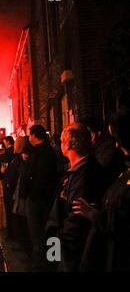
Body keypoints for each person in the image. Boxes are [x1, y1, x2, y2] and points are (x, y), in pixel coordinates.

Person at [73, 111, 130, 271]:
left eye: (118, 138)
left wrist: (96, 215)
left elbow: (123, 220)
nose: (117, 145)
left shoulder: (102, 159)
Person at [46, 123, 107, 271]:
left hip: (69, 251)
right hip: (60, 243)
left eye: (62, 141)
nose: (60, 145)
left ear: (69, 145)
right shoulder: (75, 170)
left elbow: (75, 222)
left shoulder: (85, 175)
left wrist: (56, 244)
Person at [22, 124, 58, 271]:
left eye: (30, 135)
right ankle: (43, 262)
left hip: (38, 200)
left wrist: (33, 195)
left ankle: (42, 266)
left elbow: (42, 178)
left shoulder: (44, 153)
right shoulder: (40, 151)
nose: (29, 138)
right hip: (38, 198)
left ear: (35, 136)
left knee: (38, 234)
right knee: (38, 234)